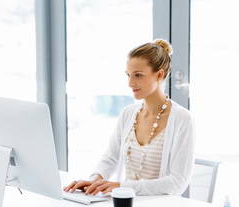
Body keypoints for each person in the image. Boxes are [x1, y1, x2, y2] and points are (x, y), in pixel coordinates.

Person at [64, 39, 194, 196]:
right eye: (128, 75)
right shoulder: (128, 113)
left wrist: (122, 186)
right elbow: (111, 157)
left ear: (159, 75)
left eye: (138, 75)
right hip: (126, 206)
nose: (130, 83)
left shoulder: (182, 119)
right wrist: (94, 180)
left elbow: (177, 182)